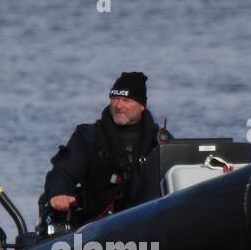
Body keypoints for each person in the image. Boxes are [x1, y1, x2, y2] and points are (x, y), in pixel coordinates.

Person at [39, 72, 170, 230]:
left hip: (147, 222)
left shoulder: (160, 141)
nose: (118, 105)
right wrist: (58, 192)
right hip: (97, 225)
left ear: (142, 106)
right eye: (114, 99)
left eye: (126, 100)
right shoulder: (89, 136)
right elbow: (63, 171)